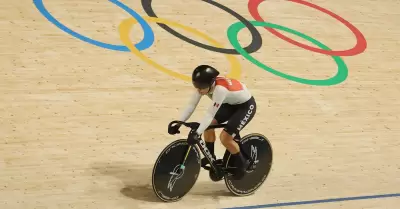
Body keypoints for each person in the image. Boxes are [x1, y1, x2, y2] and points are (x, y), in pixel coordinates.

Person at [168, 65, 257, 180]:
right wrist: (179, 123)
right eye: (197, 86)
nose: (199, 90)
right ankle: (210, 155)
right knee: (208, 126)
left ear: (211, 84)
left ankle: (242, 163)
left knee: (225, 138)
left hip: (245, 106)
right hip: (230, 104)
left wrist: (197, 133)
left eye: (201, 87)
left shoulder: (220, 90)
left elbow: (210, 114)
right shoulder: (203, 86)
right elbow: (191, 105)